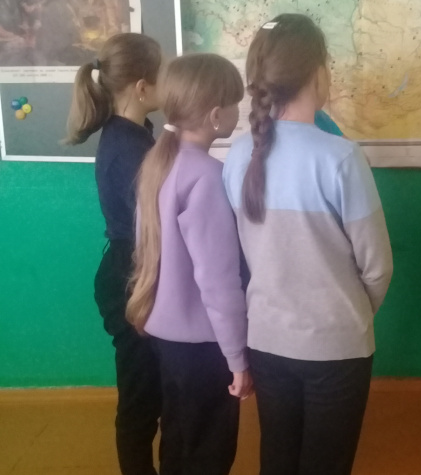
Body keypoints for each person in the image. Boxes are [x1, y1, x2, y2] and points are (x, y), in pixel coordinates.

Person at [223, 14, 393, 475]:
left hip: (266, 339)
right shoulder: (341, 157)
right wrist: (349, 316)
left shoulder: (237, 156)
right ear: (318, 73)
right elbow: (377, 267)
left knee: (277, 457)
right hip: (336, 348)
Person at [126, 53, 252, 475]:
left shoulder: (158, 163)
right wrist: (237, 358)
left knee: (178, 442)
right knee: (207, 454)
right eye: (235, 103)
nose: (238, 111)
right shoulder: (207, 176)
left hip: (167, 340)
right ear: (216, 115)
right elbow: (218, 281)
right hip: (205, 348)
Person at [65, 32, 163, 475]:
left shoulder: (135, 133)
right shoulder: (128, 147)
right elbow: (151, 225)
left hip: (133, 267)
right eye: (163, 76)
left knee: (152, 391)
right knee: (141, 401)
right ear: (142, 88)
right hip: (130, 277)